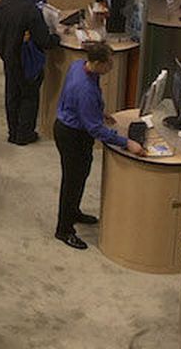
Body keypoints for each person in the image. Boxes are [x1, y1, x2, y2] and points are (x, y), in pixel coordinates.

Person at [52, 42, 142, 249]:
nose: (111, 66)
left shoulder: (79, 66)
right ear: (98, 63)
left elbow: (83, 108)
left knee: (81, 174)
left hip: (72, 128)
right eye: (109, 63)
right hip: (72, 136)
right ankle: (64, 230)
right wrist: (127, 143)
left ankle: (74, 212)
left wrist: (98, 112)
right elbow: (96, 130)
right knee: (72, 181)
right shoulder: (85, 90)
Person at [0, 0, 54, 145]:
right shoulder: (31, 10)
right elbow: (44, 40)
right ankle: (24, 134)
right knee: (29, 95)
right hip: (26, 61)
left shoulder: (2, 5)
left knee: (12, 94)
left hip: (7, 56)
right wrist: (56, 38)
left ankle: (13, 132)